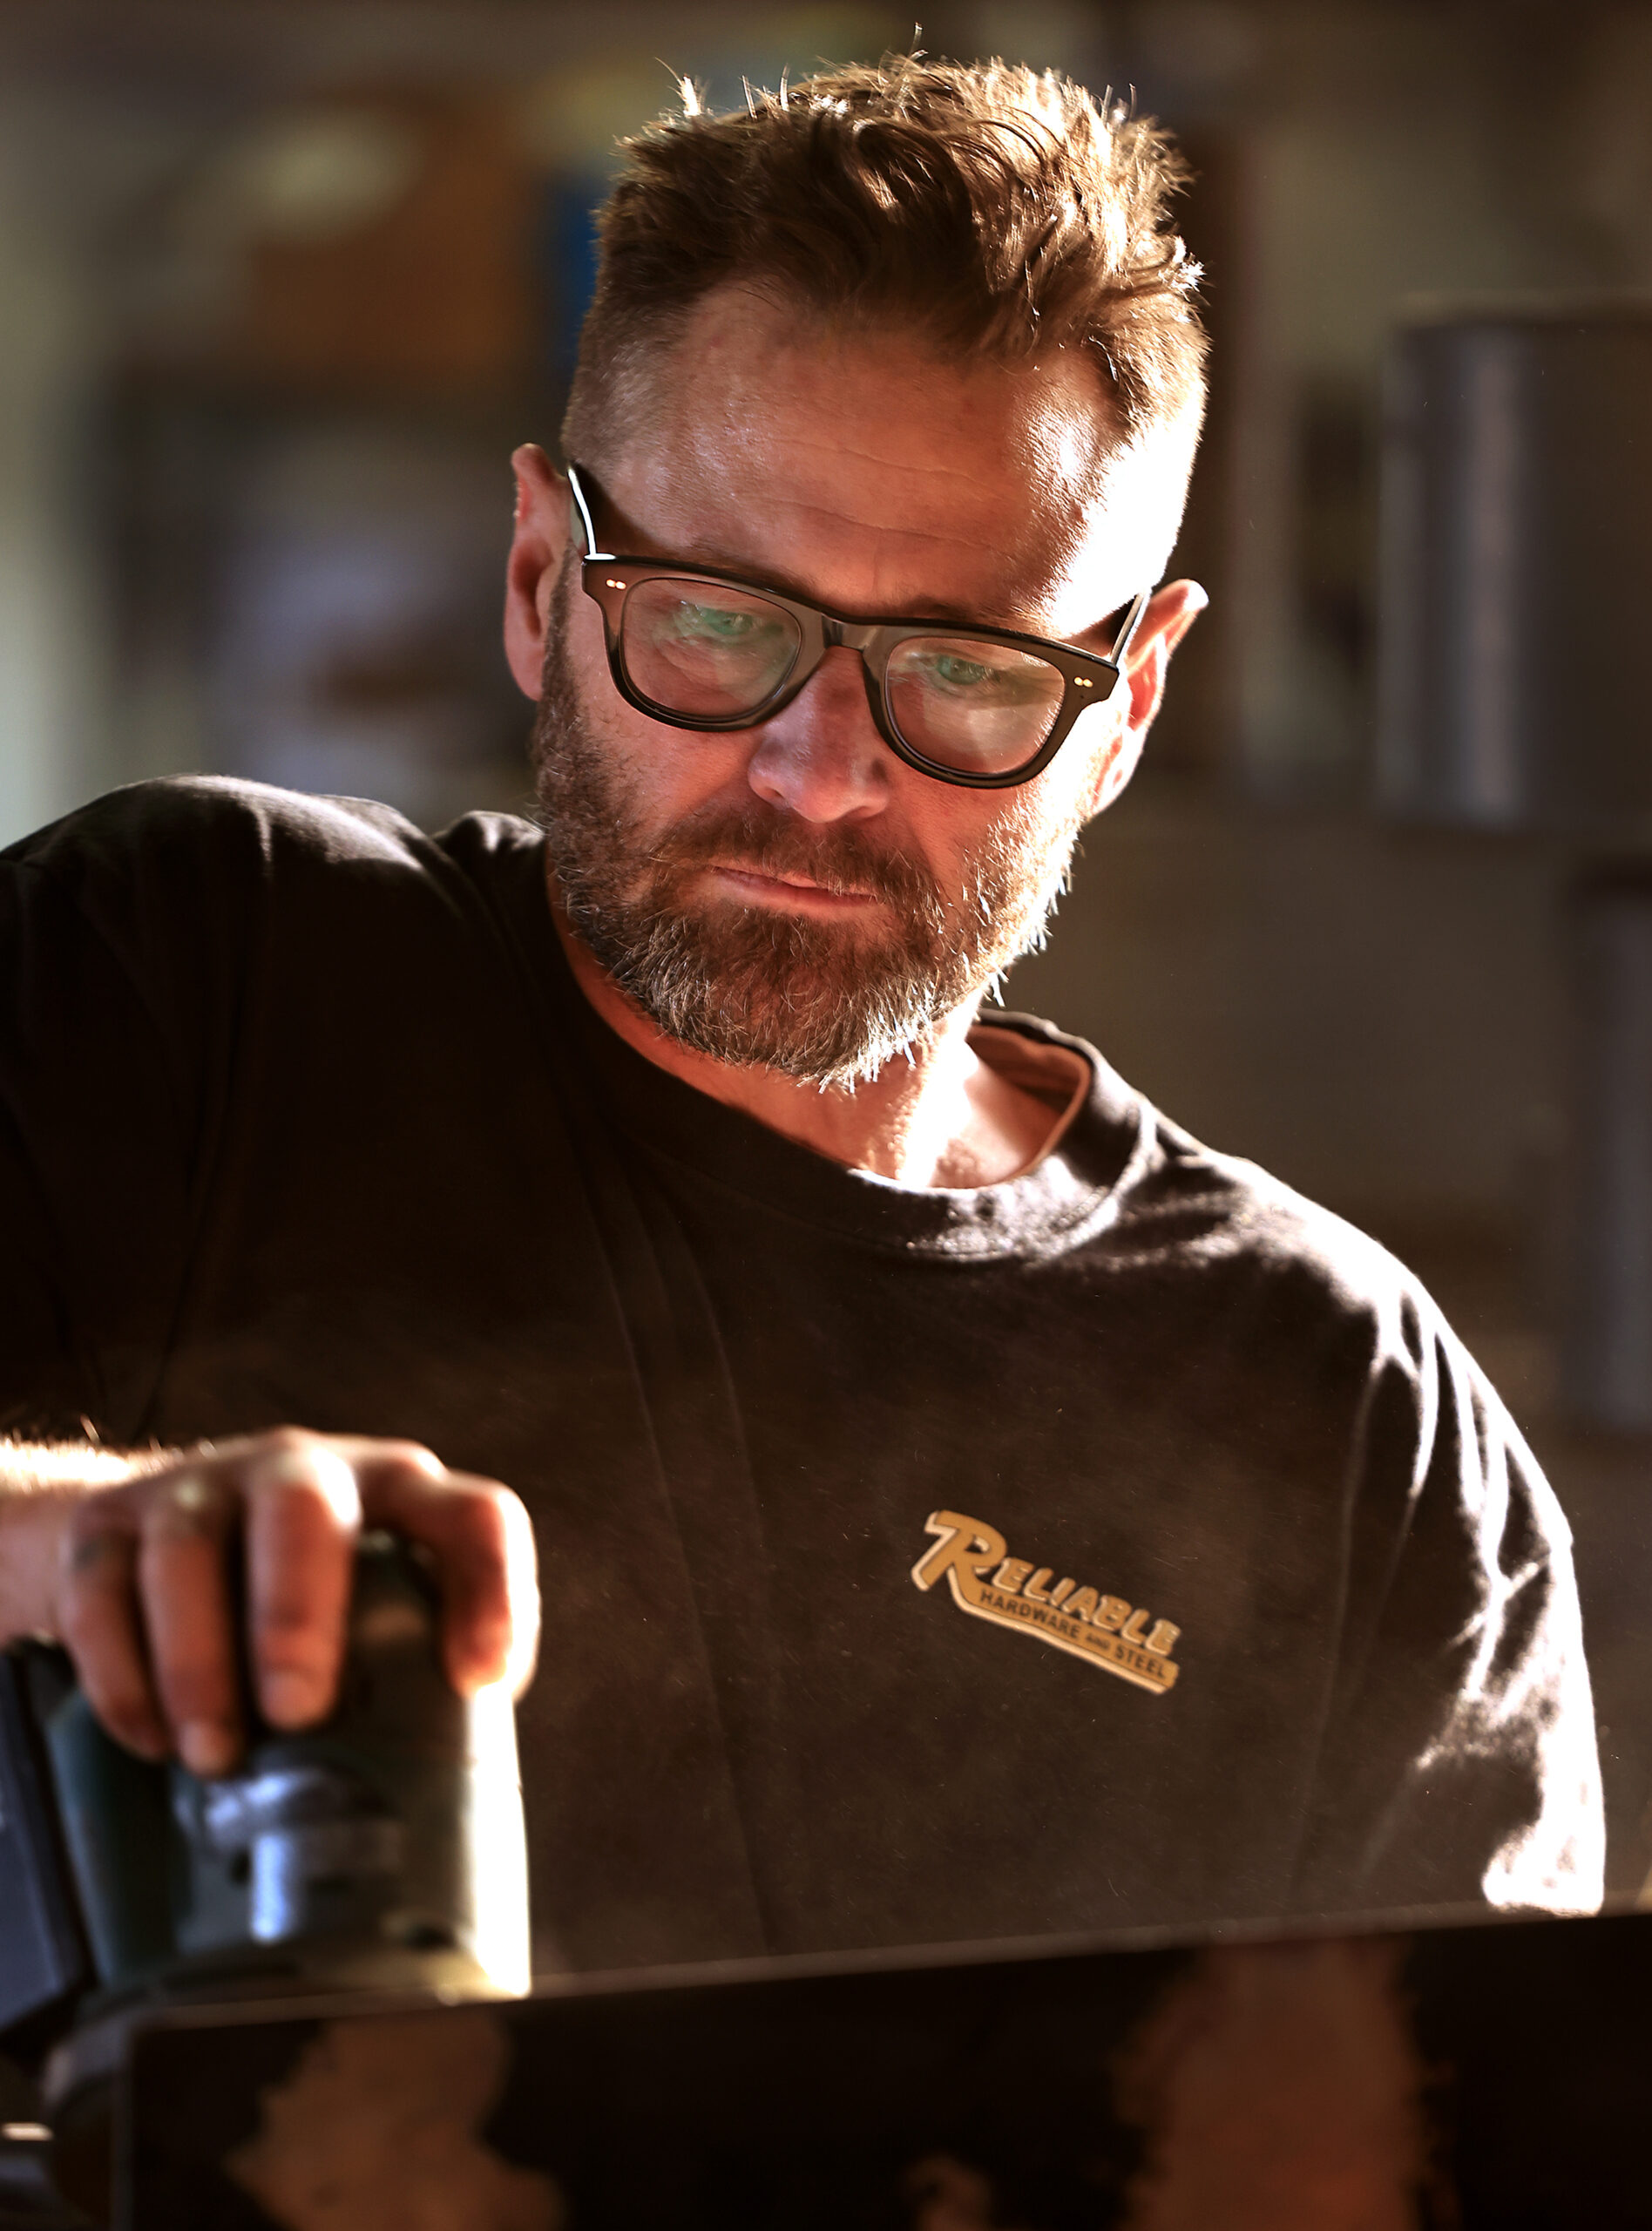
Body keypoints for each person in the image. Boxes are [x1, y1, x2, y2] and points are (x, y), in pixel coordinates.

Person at [0, 57, 1603, 1973]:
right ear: (540, 577)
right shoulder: (195, 974)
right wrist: (74, 1536)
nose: (821, 770)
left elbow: (1475, 2140)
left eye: (965, 667)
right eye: (715, 619)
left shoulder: (1344, 1420)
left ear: (1130, 701)